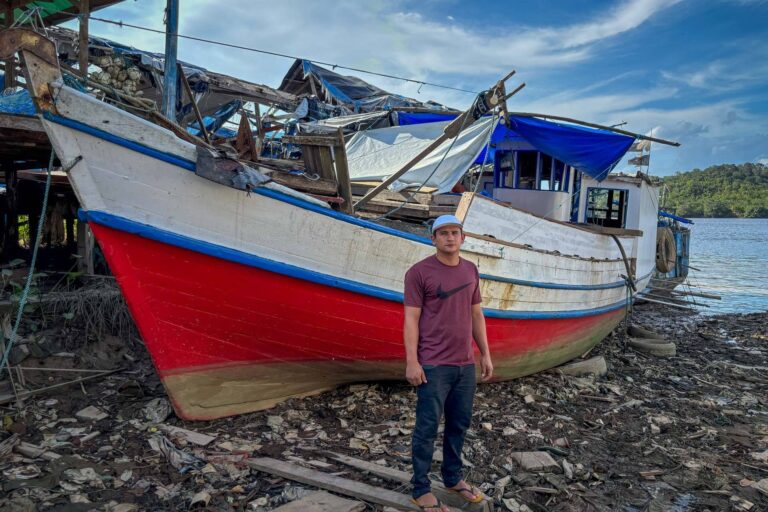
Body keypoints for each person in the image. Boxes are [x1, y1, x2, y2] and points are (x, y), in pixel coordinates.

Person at [403, 214, 493, 512]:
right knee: (427, 427)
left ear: (463, 238)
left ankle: (453, 477)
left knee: (458, 424)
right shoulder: (419, 272)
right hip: (433, 364)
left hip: (464, 365)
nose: (450, 238)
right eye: (443, 233)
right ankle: (420, 488)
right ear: (433, 239)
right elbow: (411, 319)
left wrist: (485, 354)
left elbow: (476, 314)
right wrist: (412, 361)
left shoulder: (470, 270)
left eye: (455, 232)